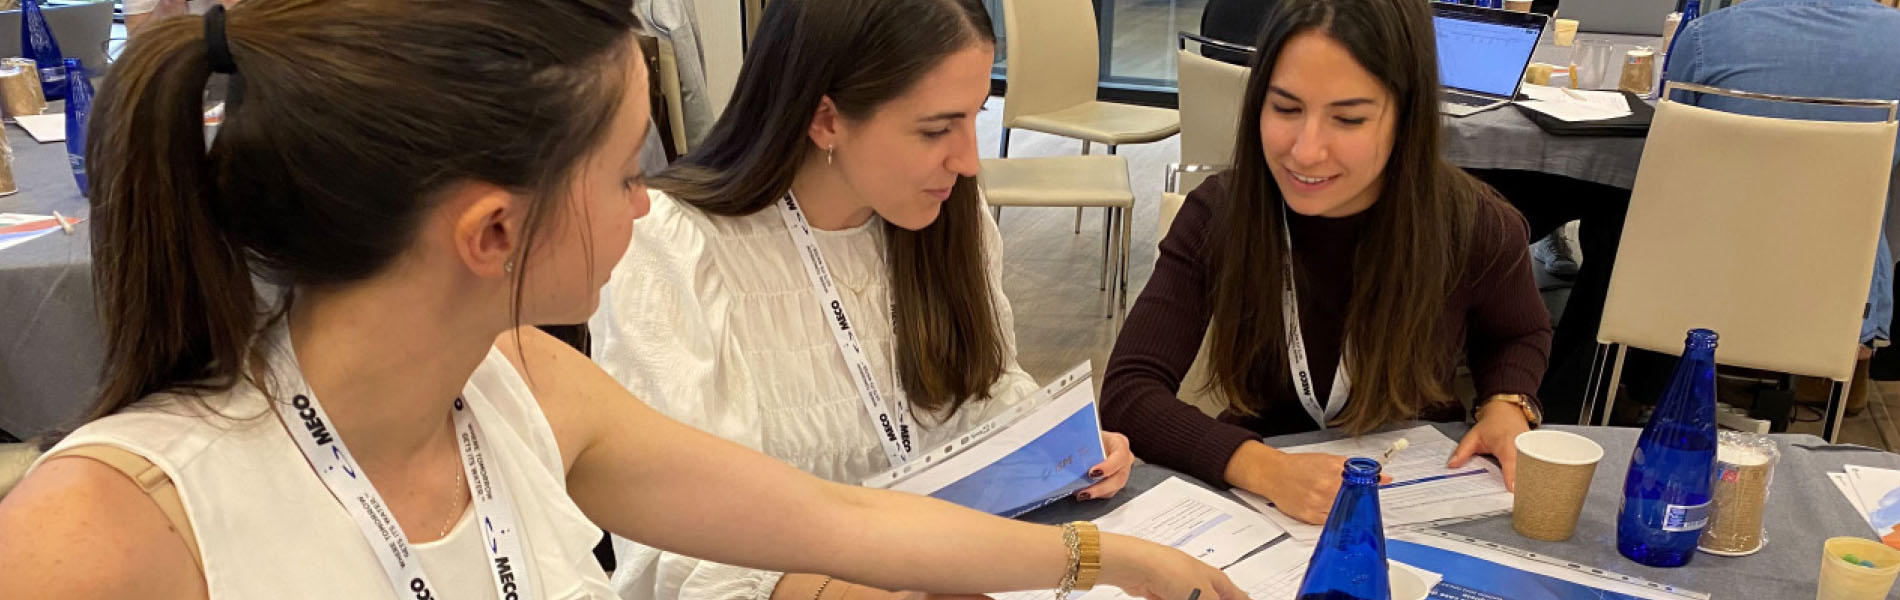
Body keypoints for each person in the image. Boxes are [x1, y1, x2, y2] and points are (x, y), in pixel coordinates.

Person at [0, 2, 1245, 599]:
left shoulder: (524, 391)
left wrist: (1109, 557)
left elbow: (835, 525)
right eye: (619, 173)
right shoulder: (102, 531)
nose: (648, 205)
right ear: (494, 232)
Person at [588, 1, 1136, 598]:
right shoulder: (674, 248)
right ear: (825, 119)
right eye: (935, 129)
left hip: (949, 566)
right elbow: (684, 556)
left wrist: (1058, 445)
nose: (968, 159)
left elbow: (983, 391)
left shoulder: (946, 211)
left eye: (977, 115)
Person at [1100, 0, 1553, 526]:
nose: (1306, 151)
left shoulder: (1474, 224)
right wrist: (1263, 468)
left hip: (1419, 485)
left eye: (1349, 118)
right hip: (1261, 496)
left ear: (1406, 116)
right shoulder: (1219, 215)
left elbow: (1518, 333)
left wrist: (1507, 402)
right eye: (1286, 109)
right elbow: (1129, 392)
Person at [1664, 0, 1900, 408]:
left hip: (1701, 280)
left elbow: (1674, 146)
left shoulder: (1708, 36)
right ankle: (1836, 377)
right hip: (1842, 289)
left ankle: (1637, 386)